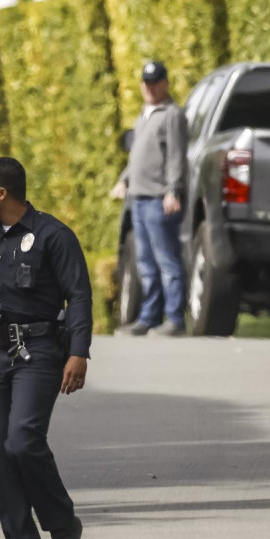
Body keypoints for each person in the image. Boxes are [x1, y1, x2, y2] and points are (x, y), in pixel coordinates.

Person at [0, 156, 90, 539]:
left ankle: (63, 525)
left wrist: (79, 352)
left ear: (2, 193)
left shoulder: (53, 235)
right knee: (0, 450)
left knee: (23, 439)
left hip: (38, 350)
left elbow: (79, 295)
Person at [110, 59, 188, 337]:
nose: (150, 87)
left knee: (167, 261)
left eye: (155, 82)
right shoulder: (144, 113)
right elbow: (137, 156)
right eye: (146, 82)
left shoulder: (172, 114)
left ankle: (175, 319)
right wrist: (124, 178)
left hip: (158, 198)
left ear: (165, 83)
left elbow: (177, 156)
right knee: (145, 263)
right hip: (138, 198)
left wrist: (173, 190)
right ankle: (148, 317)